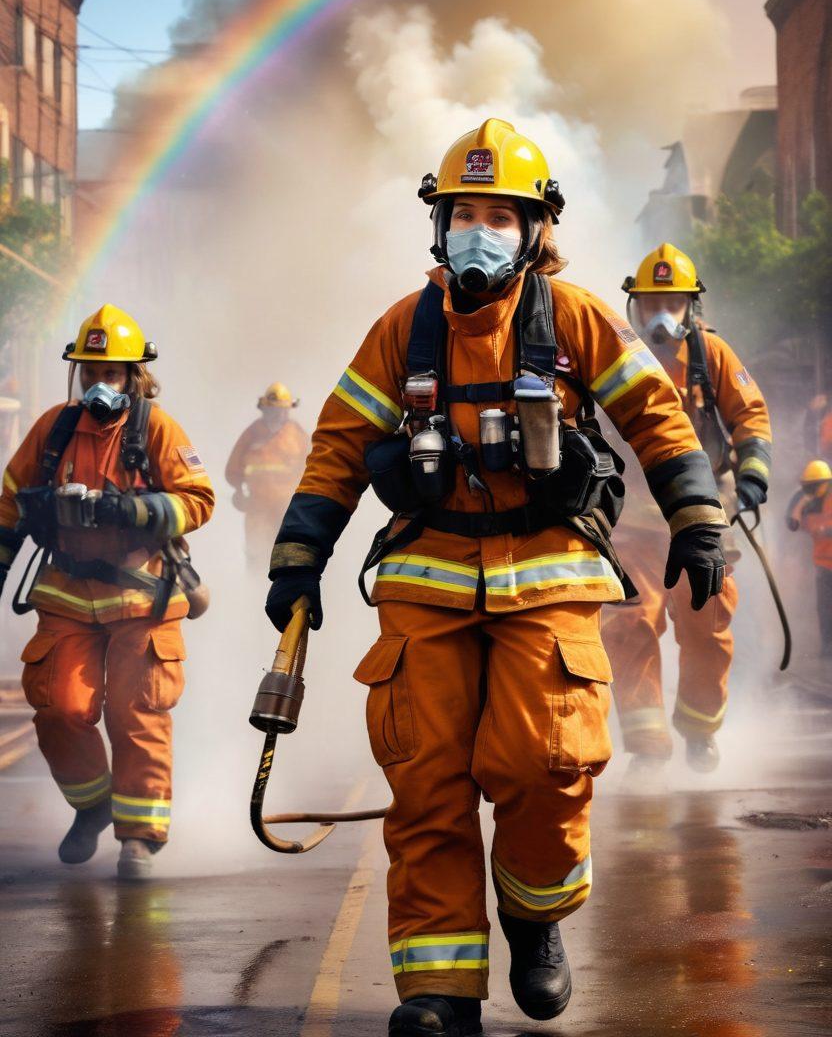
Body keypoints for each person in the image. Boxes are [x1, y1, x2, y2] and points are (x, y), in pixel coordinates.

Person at [264, 121, 727, 1036]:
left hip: (550, 579)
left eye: (500, 217)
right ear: (440, 227)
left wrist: (697, 515)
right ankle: (438, 990)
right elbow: (339, 446)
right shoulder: (404, 328)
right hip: (425, 580)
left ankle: (533, 916)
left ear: (535, 229)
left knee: (545, 765)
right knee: (426, 783)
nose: (480, 233)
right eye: (464, 215)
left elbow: (657, 416)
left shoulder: (578, 320)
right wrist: (299, 557)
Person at [0, 305, 214, 879]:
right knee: (59, 708)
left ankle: (138, 838)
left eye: (112, 374)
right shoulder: (54, 429)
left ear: (134, 376)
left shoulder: (156, 430)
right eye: (90, 373)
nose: (100, 384)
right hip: (67, 595)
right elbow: (11, 502)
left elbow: (199, 499)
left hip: (144, 598)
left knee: (135, 713)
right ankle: (93, 805)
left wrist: (139, 510)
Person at [602, 244, 772, 782]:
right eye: (651, 303)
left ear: (691, 307)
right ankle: (647, 748)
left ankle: (700, 730)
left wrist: (752, 475)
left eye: (672, 303)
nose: (661, 315)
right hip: (632, 526)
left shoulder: (711, 354)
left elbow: (750, 415)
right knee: (628, 625)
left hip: (702, 521)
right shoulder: (613, 352)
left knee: (708, 624)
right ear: (634, 305)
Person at [226, 383, 309, 570]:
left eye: (283, 410)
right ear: (265, 409)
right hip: (258, 511)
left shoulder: (297, 435)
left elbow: (311, 468)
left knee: (288, 558)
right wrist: (239, 491)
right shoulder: (252, 433)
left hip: (288, 510)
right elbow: (232, 469)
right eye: (274, 410)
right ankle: (255, 585)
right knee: (257, 557)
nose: (279, 415)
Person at [786, 460, 832, 658]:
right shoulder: (805, 500)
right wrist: (802, 503)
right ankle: (827, 646)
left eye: (815, 486)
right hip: (823, 563)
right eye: (808, 486)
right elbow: (792, 524)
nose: (812, 490)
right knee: (824, 608)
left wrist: (826, 530)